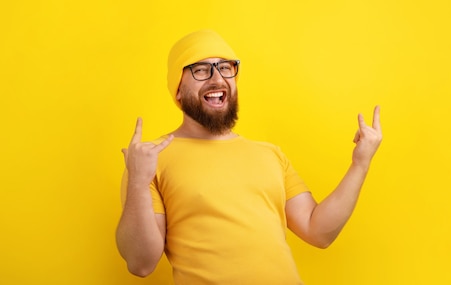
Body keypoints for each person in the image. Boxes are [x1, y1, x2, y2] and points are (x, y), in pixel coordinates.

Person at [115, 29, 382, 284]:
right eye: (200, 69)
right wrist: (138, 181)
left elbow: (318, 231)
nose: (217, 79)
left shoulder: (270, 155)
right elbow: (141, 264)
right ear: (177, 90)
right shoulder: (151, 159)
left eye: (226, 67)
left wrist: (360, 163)